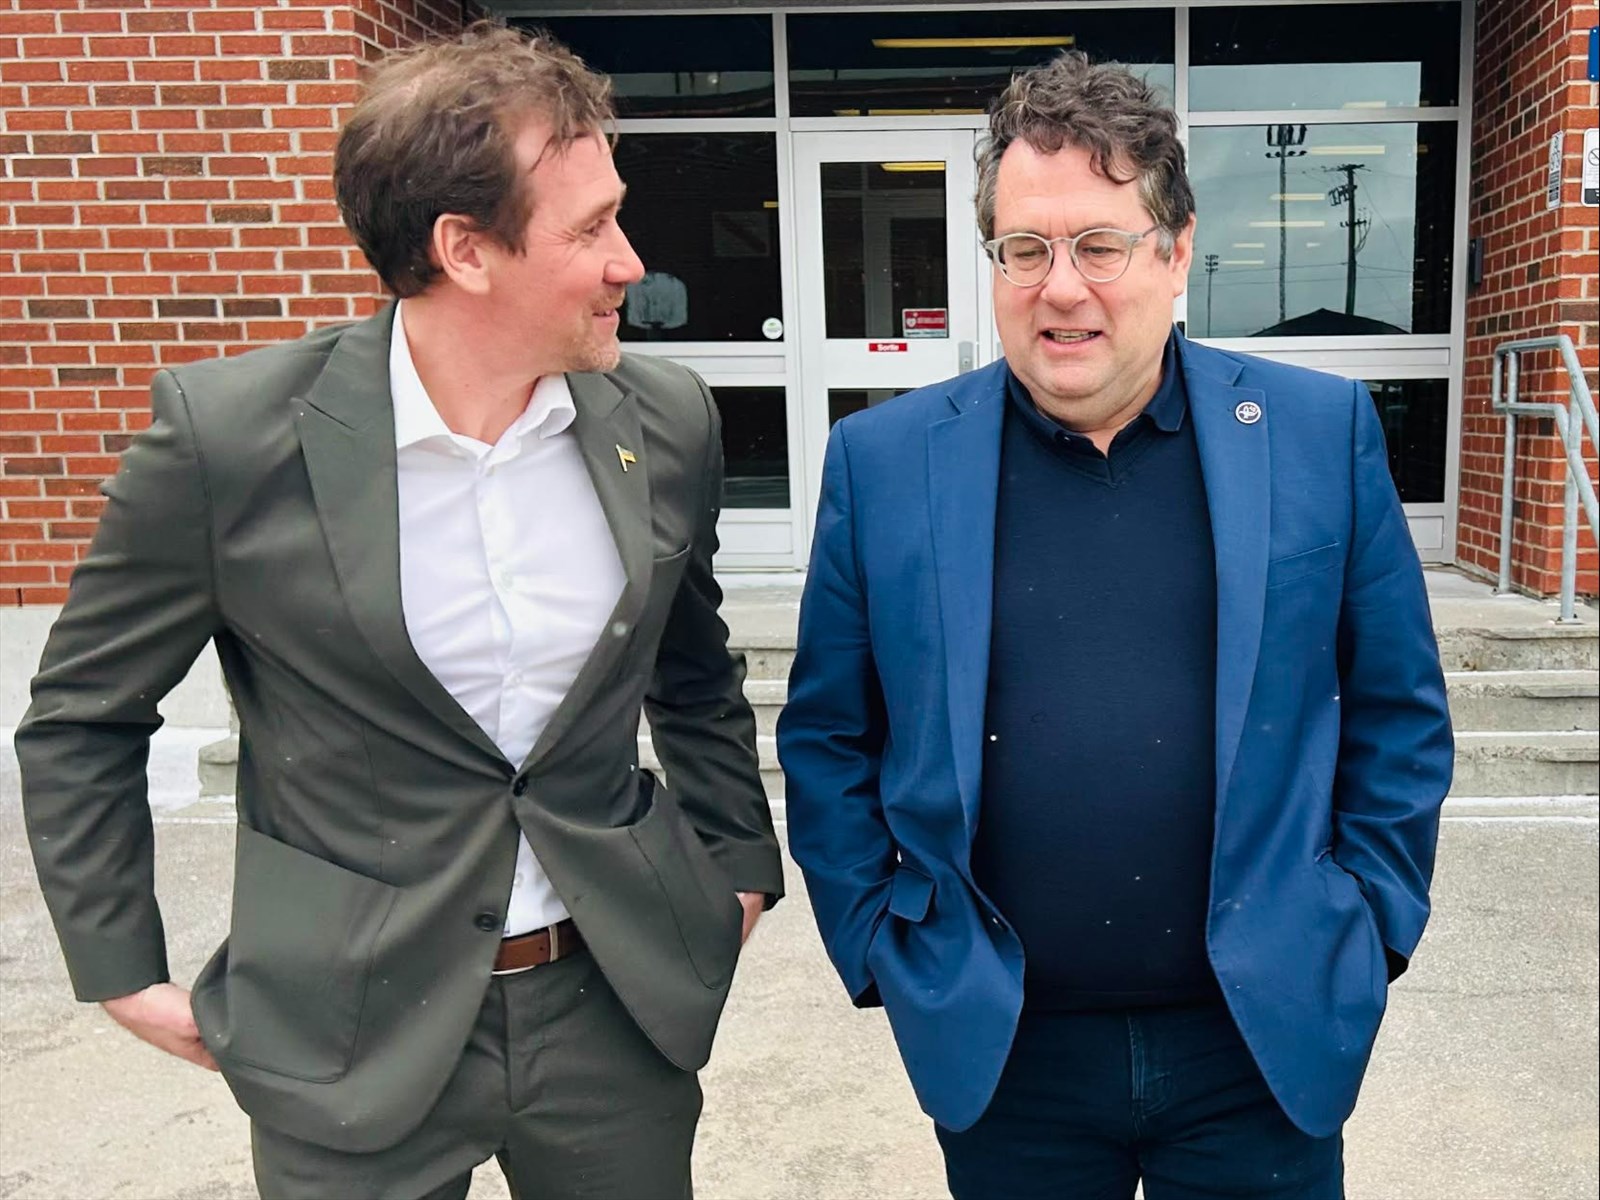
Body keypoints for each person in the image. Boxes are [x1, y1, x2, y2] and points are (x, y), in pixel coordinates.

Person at [17, 26, 782, 1200]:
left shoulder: (664, 419)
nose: (629, 262)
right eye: (589, 230)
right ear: (464, 249)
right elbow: (83, 717)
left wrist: (737, 867)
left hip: (614, 1011)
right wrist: (120, 965)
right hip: (344, 1024)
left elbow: (694, 670)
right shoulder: (230, 441)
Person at [778, 52, 1452, 1200]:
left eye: (1099, 244)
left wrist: (1369, 927)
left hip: (1257, 1044)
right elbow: (829, 737)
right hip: (1006, 1053)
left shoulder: (1316, 434)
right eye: (1024, 249)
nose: (1061, 287)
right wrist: (882, 944)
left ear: (1176, 253)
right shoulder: (882, 464)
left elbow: (1398, 714)